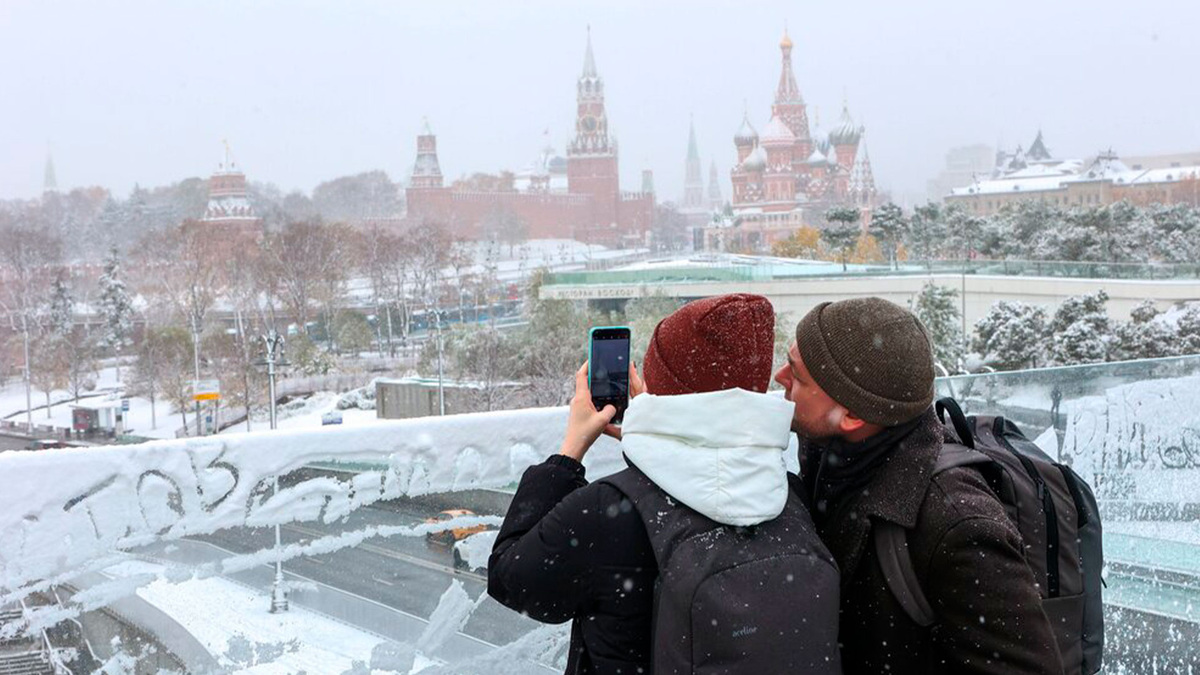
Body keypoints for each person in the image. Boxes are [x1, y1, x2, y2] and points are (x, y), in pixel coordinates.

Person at [488, 293, 836, 675]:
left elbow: (512, 579)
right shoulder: (786, 493)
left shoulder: (605, 511)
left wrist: (570, 452)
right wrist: (656, 435)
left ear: (661, 386)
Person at [775, 297, 1063, 675]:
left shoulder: (958, 525)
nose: (779, 376)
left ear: (852, 415)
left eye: (797, 376)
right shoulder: (830, 455)